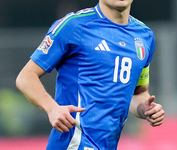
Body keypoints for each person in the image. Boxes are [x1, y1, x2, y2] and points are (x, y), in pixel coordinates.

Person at [16, 0, 165, 149]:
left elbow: (138, 94)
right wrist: (52, 108)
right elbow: (26, 77)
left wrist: (145, 109)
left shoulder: (144, 36)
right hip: (73, 144)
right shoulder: (73, 25)